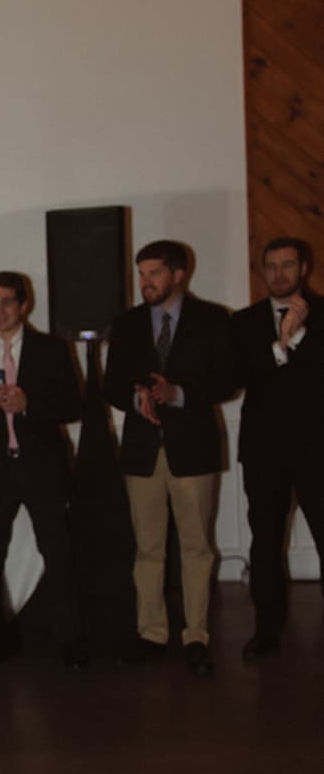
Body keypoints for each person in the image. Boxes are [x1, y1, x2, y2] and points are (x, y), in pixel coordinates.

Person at [103, 241, 234, 675]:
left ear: (179, 274)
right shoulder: (127, 324)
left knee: (196, 547)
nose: (146, 282)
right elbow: (111, 384)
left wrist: (177, 394)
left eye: (155, 273)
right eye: (142, 274)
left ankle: (196, 635)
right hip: (142, 451)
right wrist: (135, 394)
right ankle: (151, 632)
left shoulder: (213, 319)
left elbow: (228, 381)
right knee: (148, 548)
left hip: (193, 449)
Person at [0, 272, 85, 668]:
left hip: (42, 469)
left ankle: (72, 643)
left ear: (24, 305)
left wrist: (28, 404)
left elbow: (73, 406)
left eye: (6, 302)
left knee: (59, 554)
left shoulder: (52, 350)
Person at [231, 237, 324, 659]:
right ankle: (267, 628)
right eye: (271, 266)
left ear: (303, 268)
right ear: (261, 270)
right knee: (264, 541)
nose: (279, 273)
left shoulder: (323, 313)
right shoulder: (244, 322)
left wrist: (298, 338)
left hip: (316, 447)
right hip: (264, 449)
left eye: (288, 265)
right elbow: (236, 378)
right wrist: (280, 345)